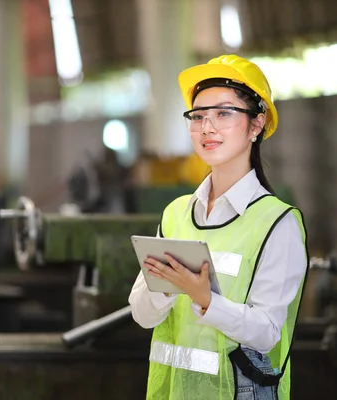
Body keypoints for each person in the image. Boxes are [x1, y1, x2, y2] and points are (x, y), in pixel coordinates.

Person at [128, 55, 309, 400]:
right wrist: (167, 288)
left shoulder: (277, 222)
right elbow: (142, 314)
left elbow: (268, 331)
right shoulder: (176, 214)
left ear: (257, 125)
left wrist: (205, 299)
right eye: (198, 117)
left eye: (224, 114)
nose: (207, 128)